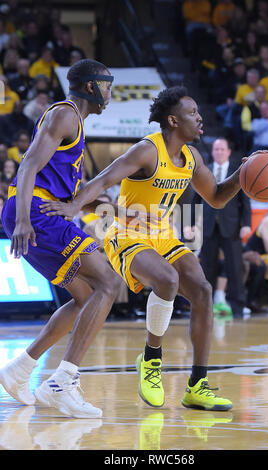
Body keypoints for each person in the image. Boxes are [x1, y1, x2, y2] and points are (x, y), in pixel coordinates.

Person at [39, 86, 261, 412]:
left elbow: (215, 196)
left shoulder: (191, 157)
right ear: (173, 120)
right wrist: (73, 207)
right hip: (126, 234)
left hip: (162, 235)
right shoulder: (146, 151)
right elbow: (102, 181)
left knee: (202, 290)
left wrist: (241, 176)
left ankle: (197, 386)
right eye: (192, 113)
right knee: (168, 279)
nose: (200, 118)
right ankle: (151, 361)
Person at [0, 58, 123, 419]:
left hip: (42, 210)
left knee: (86, 297)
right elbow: (26, 167)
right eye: (107, 86)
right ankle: (62, 382)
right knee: (109, 282)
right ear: (90, 87)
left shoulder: (75, 123)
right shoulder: (65, 114)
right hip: (35, 212)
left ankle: (20, 369)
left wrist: (96, 201)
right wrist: (23, 219)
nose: (110, 94)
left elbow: (65, 186)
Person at [193, 138, 251, 318]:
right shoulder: (205, 171)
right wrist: (191, 224)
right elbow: (195, 201)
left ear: (228, 152)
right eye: (216, 149)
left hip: (231, 226)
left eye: (222, 149)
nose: (218, 152)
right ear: (212, 152)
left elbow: (245, 202)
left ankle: (238, 307)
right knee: (207, 267)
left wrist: (246, 224)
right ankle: (206, 307)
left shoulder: (237, 171)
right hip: (209, 227)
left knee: (234, 267)